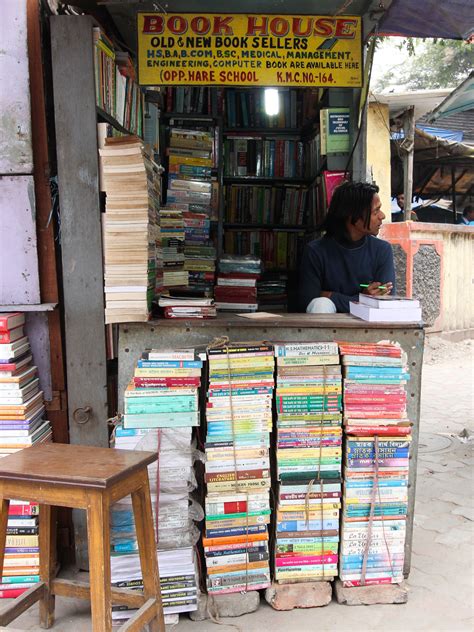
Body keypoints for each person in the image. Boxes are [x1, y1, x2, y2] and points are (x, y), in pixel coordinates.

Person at [299, 181, 395, 314]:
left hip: (369, 326)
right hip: (327, 328)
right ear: (352, 216)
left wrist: (330, 295)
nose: (382, 216)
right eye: (376, 211)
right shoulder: (315, 251)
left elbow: (384, 300)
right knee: (320, 304)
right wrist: (362, 300)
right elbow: (307, 300)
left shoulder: (382, 250)